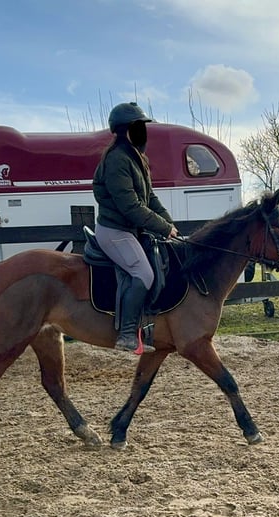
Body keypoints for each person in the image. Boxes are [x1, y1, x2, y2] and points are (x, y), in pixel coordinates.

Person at [92, 102, 179, 354]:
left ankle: (149, 327)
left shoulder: (137, 158)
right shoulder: (118, 160)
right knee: (143, 273)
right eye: (139, 127)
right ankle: (127, 334)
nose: (143, 132)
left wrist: (169, 224)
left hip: (130, 230)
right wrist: (161, 227)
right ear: (125, 130)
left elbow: (149, 198)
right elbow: (130, 206)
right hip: (114, 231)